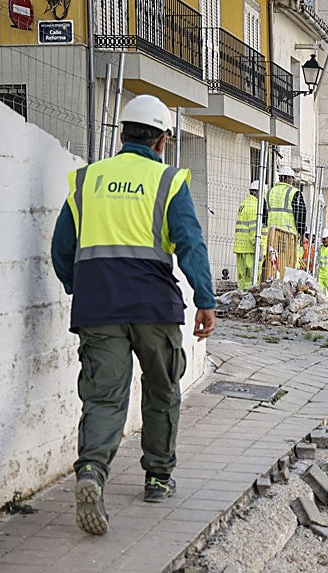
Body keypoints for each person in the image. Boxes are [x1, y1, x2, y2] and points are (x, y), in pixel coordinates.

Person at [50, 94, 216, 536]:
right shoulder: (168, 182)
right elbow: (190, 244)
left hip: (98, 306)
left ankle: (91, 473)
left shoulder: (88, 180)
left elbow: (61, 249)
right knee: (161, 390)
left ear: (122, 134)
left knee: (104, 397)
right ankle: (158, 477)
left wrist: (79, 286)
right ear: (162, 140)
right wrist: (206, 298)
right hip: (153, 307)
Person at [264, 163, 308, 267]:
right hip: (288, 234)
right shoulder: (294, 192)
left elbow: (264, 214)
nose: (292, 181)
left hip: (272, 233)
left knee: (273, 261)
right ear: (289, 178)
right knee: (289, 261)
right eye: (292, 179)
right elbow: (300, 214)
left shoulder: (269, 192)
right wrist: (302, 233)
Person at [233, 180, 262, 290]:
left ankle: (241, 295)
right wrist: (257, 246)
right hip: (249, 247)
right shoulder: (254, 206)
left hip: (240, 246)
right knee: (252, 276)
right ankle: (249, 298)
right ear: (255, 192)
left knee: (242, 277)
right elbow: (254, 228)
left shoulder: (244, 204)